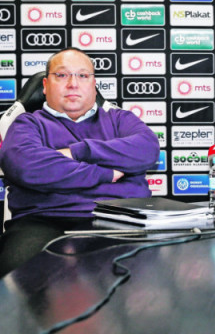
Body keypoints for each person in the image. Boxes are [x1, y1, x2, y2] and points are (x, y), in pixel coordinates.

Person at [0, 48, 159, 276]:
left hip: (120, 218)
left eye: (83, 75)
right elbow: (26, 167)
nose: (73, 84)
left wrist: (75, 152)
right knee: (17, 275)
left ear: (94, 84)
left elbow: (148, 150)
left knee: (146, 277)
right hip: (43, 221)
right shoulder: (26, 124)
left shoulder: (120, 120)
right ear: (45, 85)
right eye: (62, 75)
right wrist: (105, 173)